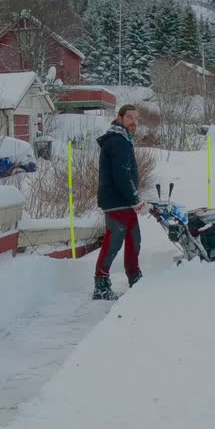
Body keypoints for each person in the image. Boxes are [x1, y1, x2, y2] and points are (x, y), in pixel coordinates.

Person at [93, 104, 146, 300]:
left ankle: (135, 277)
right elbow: (122, 174)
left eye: (136, 118)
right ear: (120, 118)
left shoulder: (122, 139)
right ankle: (101, 284)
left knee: (134, 240)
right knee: (113, 242)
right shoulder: (117, 141)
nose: (134, 122)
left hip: (124, 201)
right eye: (130, 117)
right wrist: (135, 199)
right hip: (117, 201)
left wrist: (134, 199)